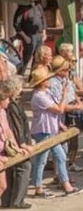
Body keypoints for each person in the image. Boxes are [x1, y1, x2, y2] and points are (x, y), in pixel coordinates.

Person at [28, 67, 83, 197]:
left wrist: (59, 124)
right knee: (42, 160)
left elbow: (51, 113)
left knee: (61, 156)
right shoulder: (39, 96)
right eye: (47, 78)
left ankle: (65, 185)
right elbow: (59, 109)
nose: (49, 80)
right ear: (41, 82)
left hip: (51, 130)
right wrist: (65, 94)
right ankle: (39, 188)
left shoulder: (47, 92)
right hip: (43, 131)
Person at [1, 77, 32, 209]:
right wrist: (22, 143)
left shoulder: (4, 111)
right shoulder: (12, 106)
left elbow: (8, 130)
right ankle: (17, 201)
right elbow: (17, 127)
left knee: (3, 185)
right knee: (24, 166)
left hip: (6, 148)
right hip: (2, 152)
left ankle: (9, 201)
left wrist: (16, 147)